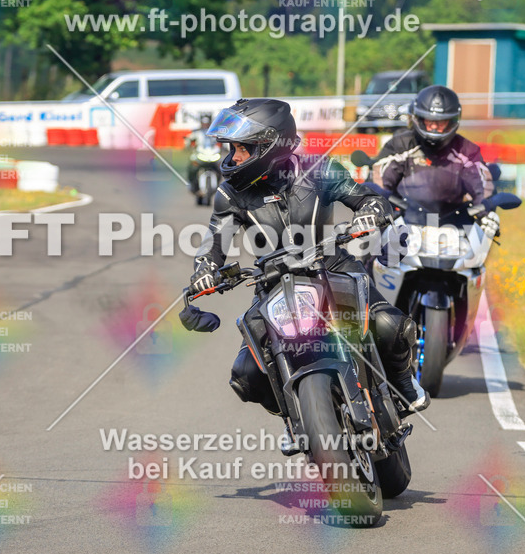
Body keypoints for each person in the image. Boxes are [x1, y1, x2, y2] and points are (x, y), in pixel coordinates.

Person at [181, 98, 429, 416]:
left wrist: (370, 212)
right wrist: (205, 270)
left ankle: (404, 385)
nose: (234, 157)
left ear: (268, 146)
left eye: (242, 148)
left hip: (333, 266)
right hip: (273, 282)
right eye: (232, 148)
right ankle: (297, 419)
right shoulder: (230, 193)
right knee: (247, 375)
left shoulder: (319, 170)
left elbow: (367, 197)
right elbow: (214, 242)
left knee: (390, 326)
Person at [376, 85, 495, 218]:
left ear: (451, 121)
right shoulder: (400, 145)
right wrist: (378, 206)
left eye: (441, 122)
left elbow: (482, 186)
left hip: (455, 223)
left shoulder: (466, 150)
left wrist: (487, 214)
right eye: (429, 120)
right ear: (420, 119)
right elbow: (379, 180)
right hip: (404, 220)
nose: (434, 126)